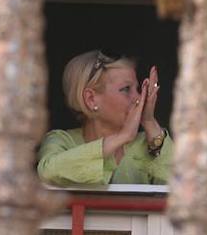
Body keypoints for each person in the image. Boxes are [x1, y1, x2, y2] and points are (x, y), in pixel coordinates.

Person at [38, 50, 172, 187]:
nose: (138, 98)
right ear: (91, 99)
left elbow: (183, 185)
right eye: (126, 89)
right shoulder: (62, 141)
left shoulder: (146, 144)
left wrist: (149, 123)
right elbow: (48, 173)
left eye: (137, 89)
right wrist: (123, 136)